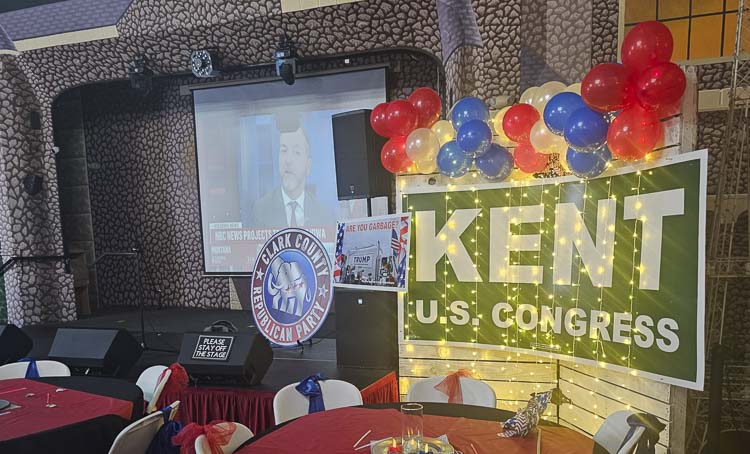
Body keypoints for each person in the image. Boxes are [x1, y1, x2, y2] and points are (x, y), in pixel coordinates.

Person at [249, 127, 333, 228]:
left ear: (308, 166)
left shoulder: (324, 214)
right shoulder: (260, 210)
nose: (288, 160)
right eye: (283, 151)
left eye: (296, 152)